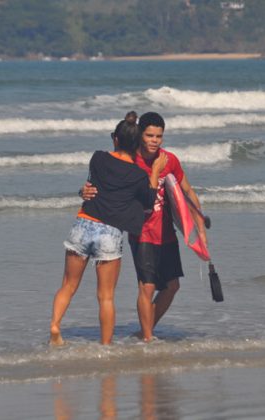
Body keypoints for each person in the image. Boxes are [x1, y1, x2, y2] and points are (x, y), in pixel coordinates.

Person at [82, 112, 207, 342]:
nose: (154, 140)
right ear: (140, 135)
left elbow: (187, 191)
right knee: (147, 287)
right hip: (142, 233)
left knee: (172, 286)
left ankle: (145, 331)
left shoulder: (170, 160)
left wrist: (199, 224)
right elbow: (105, 187)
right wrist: (84, 192)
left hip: (167, 232)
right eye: (149, 135)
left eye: (159, 136)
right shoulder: (132, 161)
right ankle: (148, 338)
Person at [49, 112, 167, 346]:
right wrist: (154, 172)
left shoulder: (98, 158)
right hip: (109, 233)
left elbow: (92, 186)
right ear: (138, 144)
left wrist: (83, 192)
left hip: (83, 224)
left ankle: (55, 325)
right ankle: (106, 346)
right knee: (105, 297)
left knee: (68, 285)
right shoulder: (138, 176)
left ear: (115, 139)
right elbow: (148, 203)